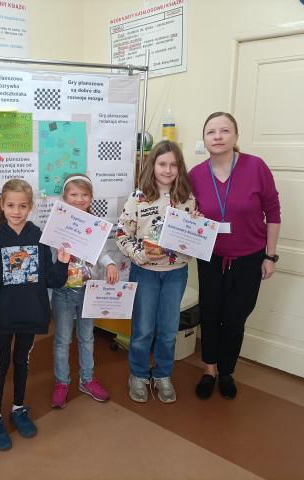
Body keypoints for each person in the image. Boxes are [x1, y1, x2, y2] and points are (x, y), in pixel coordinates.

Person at [188, 112, 281, 400]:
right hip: (211, 257)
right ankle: (209, 369)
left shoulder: (256, 167)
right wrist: (192, 217)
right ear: (204, 139)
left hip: (249, 258)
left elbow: (273, 212)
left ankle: (227, 371)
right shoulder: (196, 174)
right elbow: (188, 211)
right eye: (211, 132)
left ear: (235, 136)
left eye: (224, 130)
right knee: (210, 313)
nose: (217, 136)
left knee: (235, 317)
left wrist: (270, 256)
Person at [0, 179, 70, 450]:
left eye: (22, 206)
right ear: (2, 206)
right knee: (1, 363)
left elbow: (52, 280)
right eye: (10, 205)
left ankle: (18, 407)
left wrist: (63, 263)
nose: (16, 211)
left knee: (22, 362)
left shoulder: (38, 237)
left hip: (32, 312)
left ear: (30, 207)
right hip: (4, 315)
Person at [115, 140, 196, 404]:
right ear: (153, 165)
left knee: (169, 330)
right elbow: (121, 235)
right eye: (162, 164)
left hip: (176, 273)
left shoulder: (188, 198)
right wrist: (140, 254)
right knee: (143, 329)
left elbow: (193, 236)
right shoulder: (138, 198)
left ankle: (163, 374)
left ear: (180, 167)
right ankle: (138, 374)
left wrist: (197, 229)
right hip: (145, 273)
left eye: (173, 164)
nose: (168, 170)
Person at [50, 174, 118, 408]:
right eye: (74, 194)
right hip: (63, 291)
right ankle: (62, 382)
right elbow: (51, 258)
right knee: (62, 340)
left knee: (87, 337)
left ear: (91, 198)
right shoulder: (57, 223)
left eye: (84, 195)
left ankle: (87, 379)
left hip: (89, 290)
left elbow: (101, 252)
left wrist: (110, 264)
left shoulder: (95, 224)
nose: (79, 199)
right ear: (64, 197)